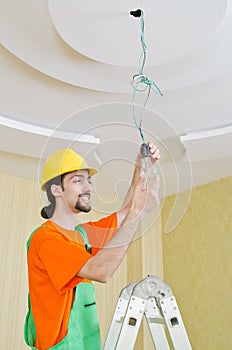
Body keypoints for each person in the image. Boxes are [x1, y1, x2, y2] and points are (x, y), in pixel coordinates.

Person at [24, 142, 160, 350]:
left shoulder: (83, 235)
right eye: (78, 181)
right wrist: (139, 212)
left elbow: (125, 213)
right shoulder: (46, 238)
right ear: (56, 189)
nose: (88, 187)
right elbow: (101, 271)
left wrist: (140, 166)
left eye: (88, 181)